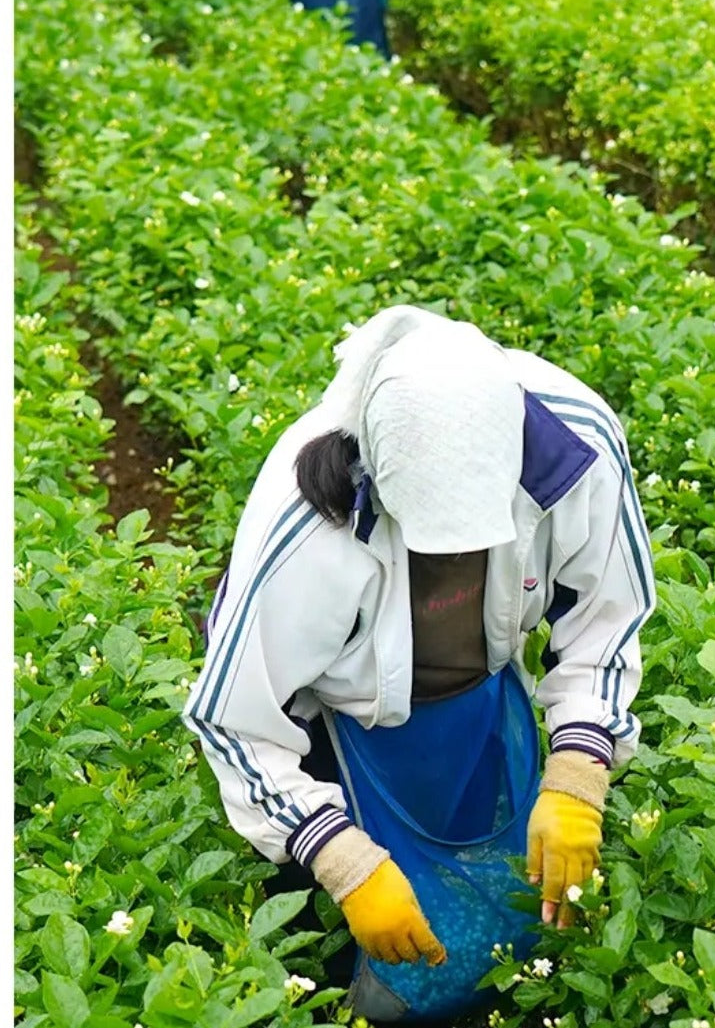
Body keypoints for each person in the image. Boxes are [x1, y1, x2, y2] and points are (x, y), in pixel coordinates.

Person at [183, 306, 655, 1014]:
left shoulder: (574, 446)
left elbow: (606, 613)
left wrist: (580, 765)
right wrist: (340, 858)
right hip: (333, 721)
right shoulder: (305, 522)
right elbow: (235, 719)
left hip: (473, 693)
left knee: (496, 877)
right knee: (331, 934)